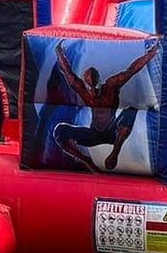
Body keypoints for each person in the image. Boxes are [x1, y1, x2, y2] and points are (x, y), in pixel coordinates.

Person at [52, 38, 161, 171]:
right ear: (86, 87)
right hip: (93, 134)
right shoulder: (81, 89)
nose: (93, 92)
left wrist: (152, 53)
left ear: (99, 83)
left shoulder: (111, 86)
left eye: (96, 88)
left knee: (130, 110)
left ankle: (115, 153)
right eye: (90, 89)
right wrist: (58, 51)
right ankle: (87, 162)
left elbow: (132, 70)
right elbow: (67, 72)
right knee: (59, 130)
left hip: (112, 133)